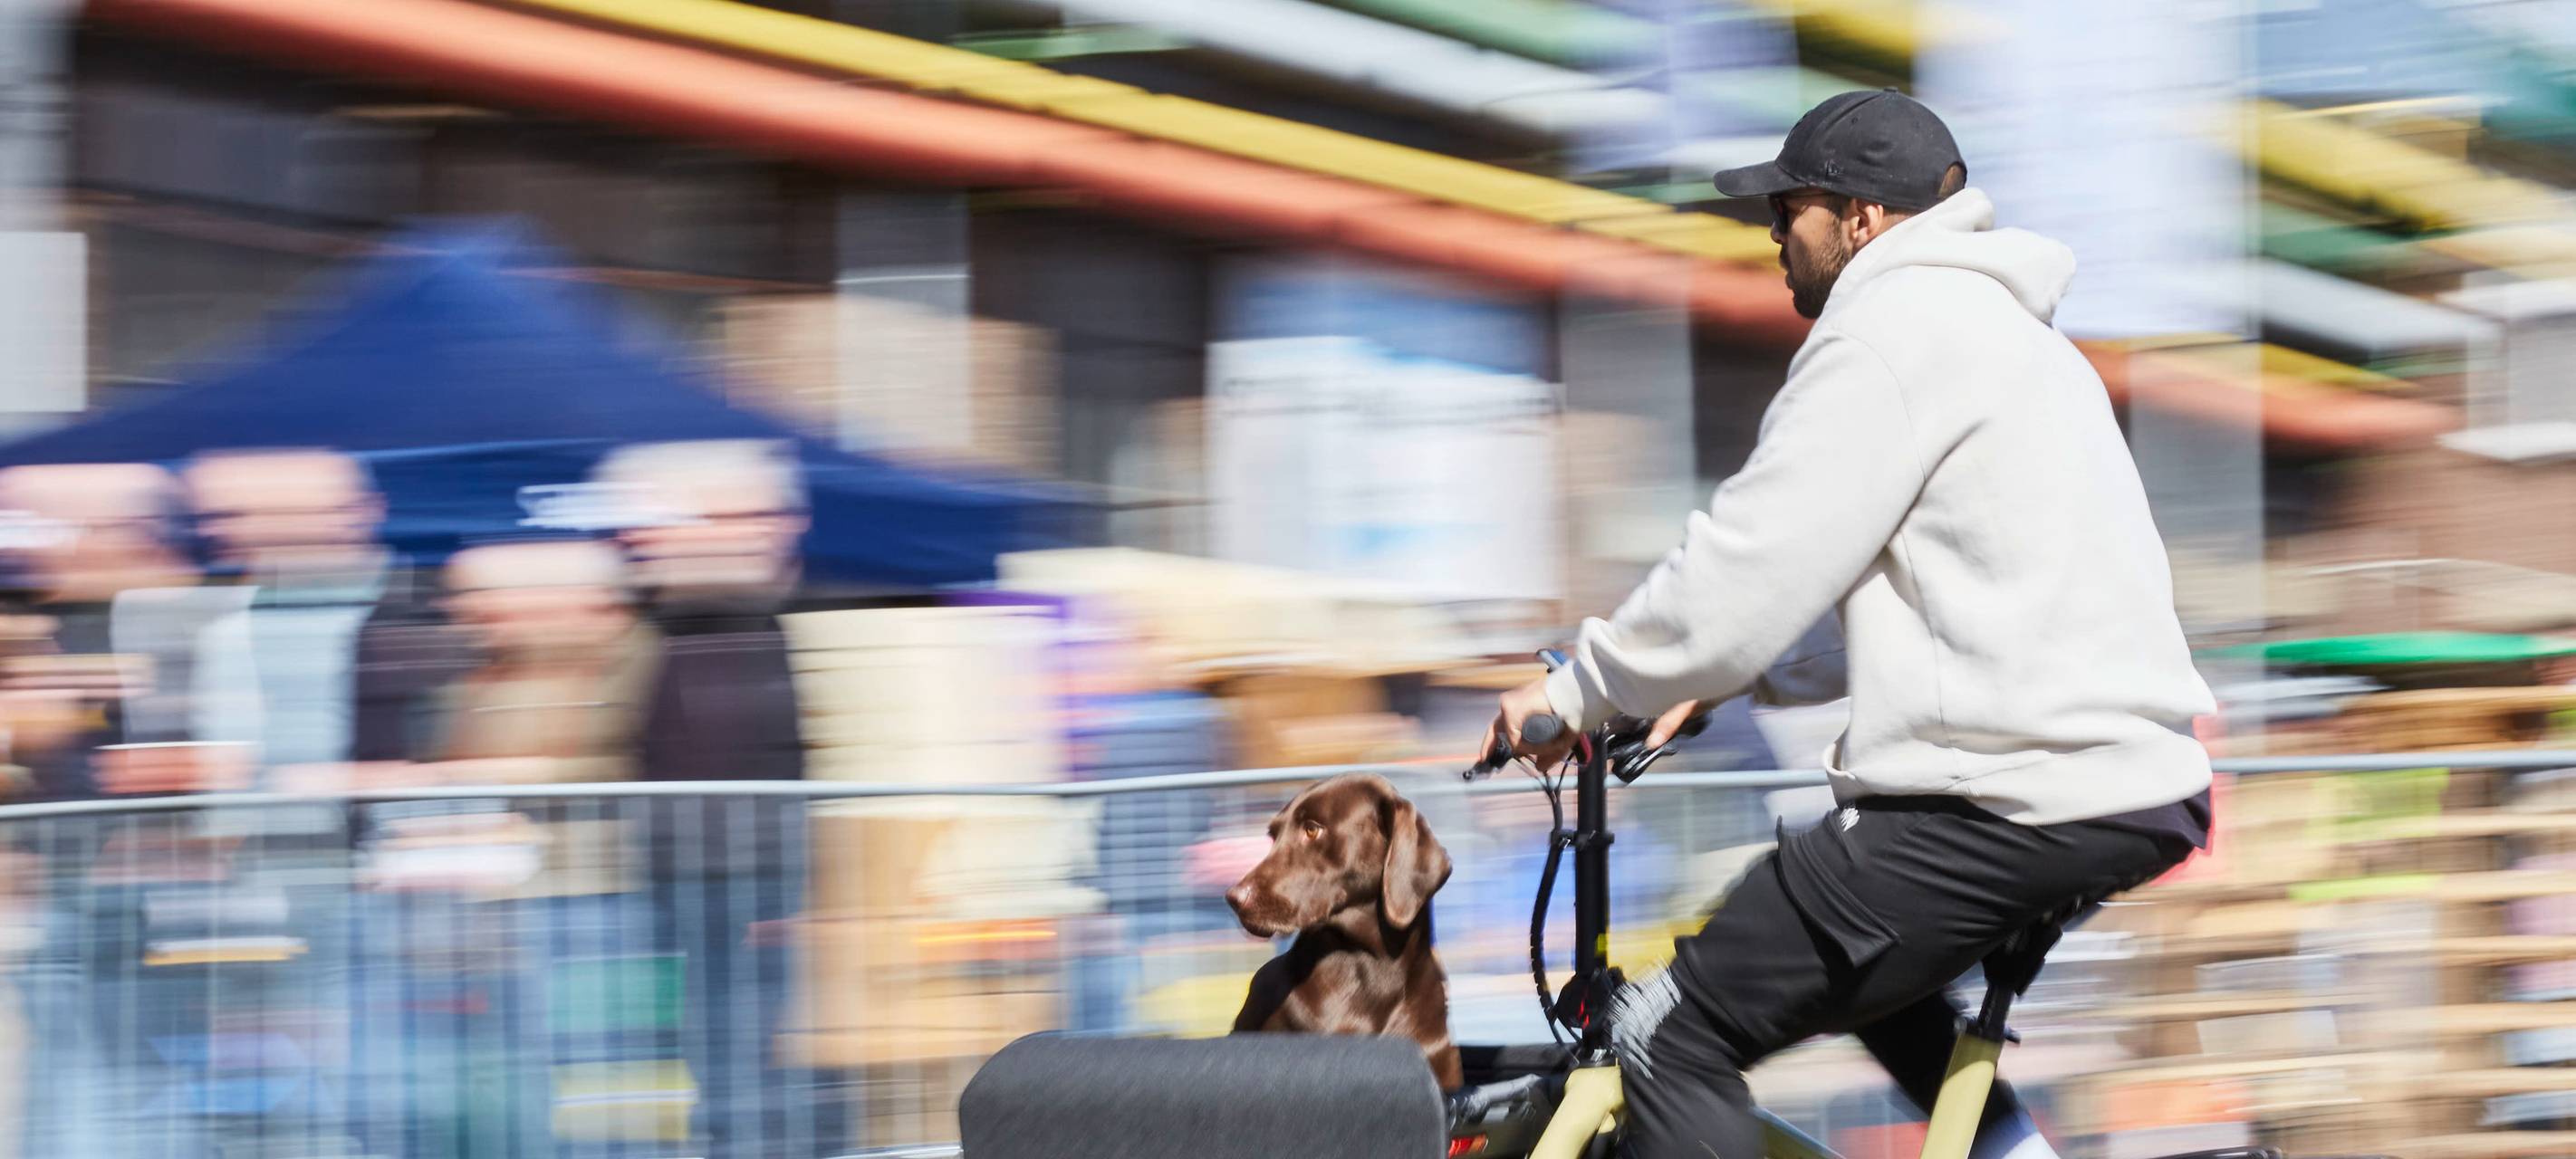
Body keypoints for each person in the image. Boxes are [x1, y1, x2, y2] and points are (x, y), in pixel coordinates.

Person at [1484, 91, 2216, 1159]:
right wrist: (1731, 680)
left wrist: (1574, 691)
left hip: (2000, 800)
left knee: (1666, 1033)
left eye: (1790, 209)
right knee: (1875, 982)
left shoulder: (1886, 333)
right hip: (2128, 786)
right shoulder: (2028, 347)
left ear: (1862, 220)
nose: (1774, 235)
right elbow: (1947, 600)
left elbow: (1744, 565)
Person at [586, 439, 820, 1155]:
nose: (637, 539)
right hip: (691, 865)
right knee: (716, 1039)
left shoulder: (750, 620)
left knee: (734, 1042)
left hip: (738, 870)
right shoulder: (665, 623)